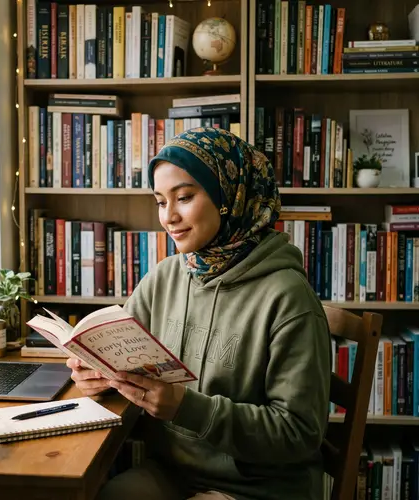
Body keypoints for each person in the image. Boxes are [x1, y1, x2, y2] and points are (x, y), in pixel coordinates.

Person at [67, 127, 332, 500]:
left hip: (258, 488)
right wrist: (94, 372)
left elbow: (299, 435)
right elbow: (118, 349)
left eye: (185, 197)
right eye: (161, 201)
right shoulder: (167, 275)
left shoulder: (290, 300)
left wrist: (187, 408)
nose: (169, 217)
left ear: (230, 197)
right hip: (173, 472)